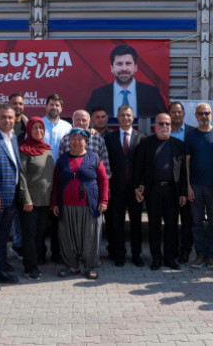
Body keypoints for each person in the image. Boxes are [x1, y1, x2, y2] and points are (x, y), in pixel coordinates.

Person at [0, 105, 31, 287]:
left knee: (2, 237)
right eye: (3, 117)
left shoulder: (13, 138)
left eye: (10, 118)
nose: (8, 121)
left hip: (11, 197)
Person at [51, 128, 109, 279]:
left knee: (90, 236)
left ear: (86, 141)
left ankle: (90, 266)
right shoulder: (62, 159)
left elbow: (103, 180)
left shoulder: (94, 157)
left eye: (80, 138)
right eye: (73, 138)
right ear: (69, 141)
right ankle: (72, 266)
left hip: (90, 206)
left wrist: (103, 200)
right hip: (67, 206)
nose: (76, 142)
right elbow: (56, 183)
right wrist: (55, 203)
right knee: (68, 236)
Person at [134, 113, 188, 270]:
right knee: (154, 226)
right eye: (161, 124)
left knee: (172, 226)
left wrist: (183, 192)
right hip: (153, 191)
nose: (164, 127)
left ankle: (170, 258)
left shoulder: (178, 144)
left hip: (172, 191)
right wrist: (139, 185)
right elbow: (139, 167)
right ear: (154, 126)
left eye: (167, 124)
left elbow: (184, 171)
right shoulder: (146, 143)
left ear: (171, 126)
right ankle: (156, 258)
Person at [104, 105, 146, 267]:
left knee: (136, 223)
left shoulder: (141, 137)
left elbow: (144, 164)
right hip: (116, 188)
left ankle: (136, 255)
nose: (125, 118)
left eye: (128, 115)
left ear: (133, 117)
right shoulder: (110, 139)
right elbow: (106, 165)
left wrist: (141, 184)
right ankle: (119, 254)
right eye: (122, 115)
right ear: (118, 117)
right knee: (117, 223)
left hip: (135, 189)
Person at [85, 43, 168, 118]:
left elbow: (163, 120)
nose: (124, 68)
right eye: (119, 64)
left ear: (135, 67)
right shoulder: (98, 95)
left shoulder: (151, 93)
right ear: (111, 68)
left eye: (128, 63)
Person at [185, 103, 213, 269]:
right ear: (196, 115)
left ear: (211, 114)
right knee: (197, 222)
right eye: (200, 113)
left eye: (206, 113)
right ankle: (200, 255)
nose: (204, 116)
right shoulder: (191, 135)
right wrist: (188, 186)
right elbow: (186, 162)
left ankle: (211, 255)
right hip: (196, 186)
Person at [18, 116, 54, 281]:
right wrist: (26, 199)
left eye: (41, 128)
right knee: (30, 235)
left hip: (45, 201)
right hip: (30, 202)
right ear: (29, 130)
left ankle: (38, 259)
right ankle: (30, 267)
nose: (38, 131)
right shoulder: (24, 149)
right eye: (35, 128)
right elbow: (22, 176)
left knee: (40, 233)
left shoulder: (47, 149)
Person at [169, 101, 194, 263]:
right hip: (171, 183)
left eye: (179, 112)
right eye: (174, 112)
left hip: (189, 181)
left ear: (184, 114)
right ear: (169, 114)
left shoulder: (192, 132)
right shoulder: (164, 131)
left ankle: (186, 250)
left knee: (188, 220)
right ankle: (173, 250)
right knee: (171, 220)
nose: (177, 115)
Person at [58, 110, 110, 176]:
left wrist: (105, 182)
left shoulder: (98, 138)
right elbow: (60, 164)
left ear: (89, 121)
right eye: (77, 120)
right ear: (73, 121)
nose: (81, 123)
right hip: (71, 181)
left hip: (93, 182)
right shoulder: (65, 139)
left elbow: (105, 163)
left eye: (84, 120)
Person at [42, 93, 72, 158]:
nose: (54, 107)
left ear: (61, 108)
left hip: (61, 166)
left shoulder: (68, 127)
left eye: (57, 105)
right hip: (41, 166)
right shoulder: (38, 124)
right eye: (51, 105)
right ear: (46, 107)